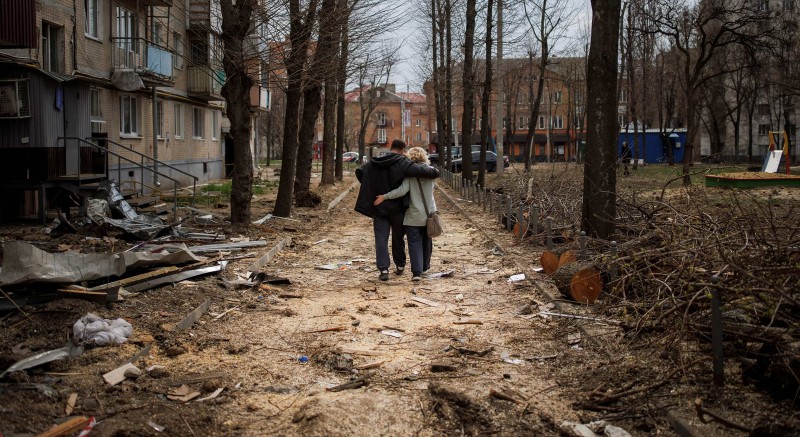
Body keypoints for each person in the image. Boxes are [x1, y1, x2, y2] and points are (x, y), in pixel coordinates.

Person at [355, 139, 440, 281]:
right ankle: (400, 265)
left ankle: (383, 269)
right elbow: (423, 171)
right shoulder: (402, 162)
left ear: (391, 147)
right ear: (402, 150)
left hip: (379, 206)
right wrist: (435, 171)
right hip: (397, 208)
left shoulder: (374, 162)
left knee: (381, 239)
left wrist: (370, 187)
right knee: (397, 237)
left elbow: (359, 172)